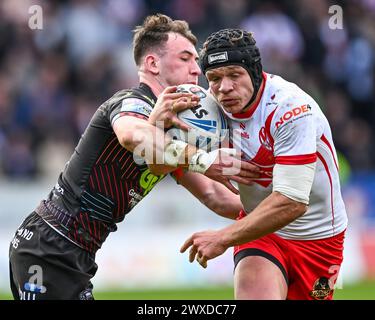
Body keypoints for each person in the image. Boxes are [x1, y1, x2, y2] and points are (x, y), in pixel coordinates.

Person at [9, 16, 260, 300]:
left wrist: (276, 209)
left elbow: (215, 194)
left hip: (72, 252)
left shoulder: (173, 134)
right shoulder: (130, 102)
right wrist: (203, 159)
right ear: (153, 64)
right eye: (186, 58)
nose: (196, 70)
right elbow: (132, 135)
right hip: (50, 248)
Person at [180, 28, 348, 300]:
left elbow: (292, 202)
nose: (224, 88)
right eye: (214, 78)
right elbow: (149, 151)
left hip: (318, 239)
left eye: (234, 75)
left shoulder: (290, 109)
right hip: (260, 231)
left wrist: (222, 237)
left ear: (255, 73)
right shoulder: (207, 107)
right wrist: (163, 127)